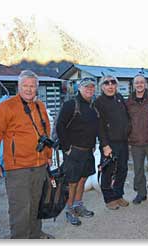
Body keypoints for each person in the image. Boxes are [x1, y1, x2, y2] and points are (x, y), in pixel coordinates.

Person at [0, 70, 54, 239]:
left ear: (37, 88)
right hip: (18, 168)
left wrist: (48, 154)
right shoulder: (6, 107)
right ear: (18, 86)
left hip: (39, 165)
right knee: (20, 208)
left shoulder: (40, 106)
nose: (29, 89)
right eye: (25, 85)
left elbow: (46, 132)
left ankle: (35, 234)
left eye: (32, 86)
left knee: (36, 204)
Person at [56, 77, 99, 226]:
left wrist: (93, 145)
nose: (89, 89)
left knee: (83, 179)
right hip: (74, 151)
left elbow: (93, 128)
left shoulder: (93, 106)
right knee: (72, 182)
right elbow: (60, 126)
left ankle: (78, 205)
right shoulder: (70, 105)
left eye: (92, 87)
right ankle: (69, 210)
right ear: (79, 88)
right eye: (86, 87)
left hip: (87, 151)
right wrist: (66, 147)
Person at [94, 75, 131, 210]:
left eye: (113, 83)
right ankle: (109, 198)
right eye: (106, 83)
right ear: (102, 86)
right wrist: (105, 145)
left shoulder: (119, 98)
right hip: (109, 143)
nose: (110, 86)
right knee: (108, 171)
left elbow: (126, 117)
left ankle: (118, 195)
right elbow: (99, 126)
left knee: (122, 169)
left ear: (116, 85)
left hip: (123, 141)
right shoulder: (99, 102)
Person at [126, 74, 148, 204]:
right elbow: (126, 121)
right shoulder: (128, 102)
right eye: (137, 83)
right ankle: (141, 193)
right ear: (133, 85)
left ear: (145, 84)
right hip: (135, 141)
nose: (139, 85)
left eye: (142, 82)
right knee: (138, 169)